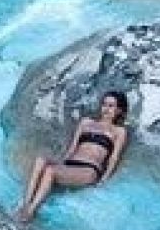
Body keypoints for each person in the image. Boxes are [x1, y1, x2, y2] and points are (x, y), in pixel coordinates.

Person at [16, 90, 130, 222]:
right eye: (104, 104)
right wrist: (63, 163)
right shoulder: (86, 122)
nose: (106, 109)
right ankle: (25, 203)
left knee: (50, 171)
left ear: (119, 110)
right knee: (40, 160)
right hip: (71, 163)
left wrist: (104, 179)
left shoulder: (119, 131)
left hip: (89, 169)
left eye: (111, 106)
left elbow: (114, 157)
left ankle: (31, 211)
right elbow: (73, 147)